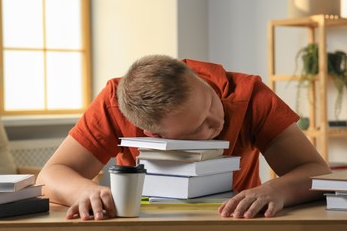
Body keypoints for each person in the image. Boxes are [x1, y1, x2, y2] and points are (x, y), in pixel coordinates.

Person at [37, 54, 331, 220]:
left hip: (233, 223)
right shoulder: (114, 103)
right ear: (152, 133)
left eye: (211, 102)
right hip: (141, 224)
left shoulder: (249, 95)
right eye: (198, 128)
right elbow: (50, 175)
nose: (217, 123)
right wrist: (83, 191)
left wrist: (276, 190)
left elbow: (316, 170)